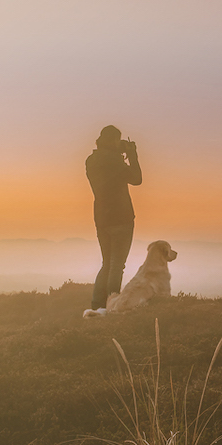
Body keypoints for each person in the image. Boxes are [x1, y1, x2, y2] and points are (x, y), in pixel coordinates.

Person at [85, 126, 142, 315]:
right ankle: (112, 306)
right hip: (122, 217)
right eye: (118, 141)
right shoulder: (116, 162)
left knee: (107, 263)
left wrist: (117, 153)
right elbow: (136, 178)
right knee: (117, 265)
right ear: (113, 141)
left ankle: (97, 305)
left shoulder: (91, 161)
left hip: (102, 218)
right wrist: (132, 154)